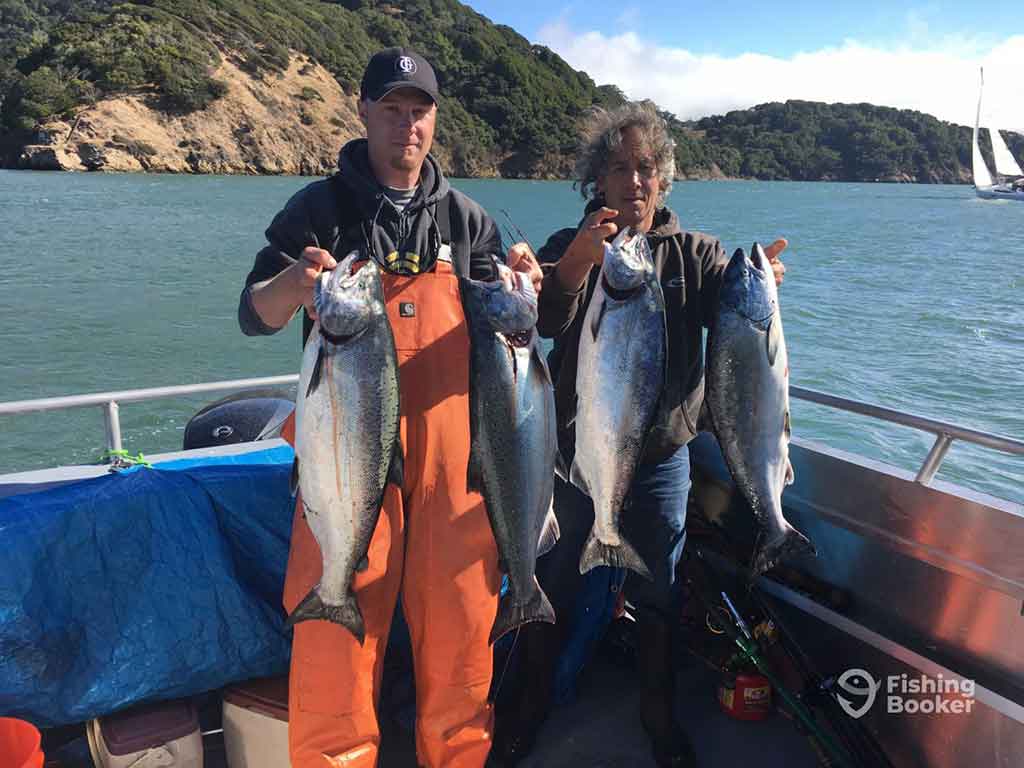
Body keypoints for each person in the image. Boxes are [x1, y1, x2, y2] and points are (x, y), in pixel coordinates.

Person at [238, 47, 533, 768]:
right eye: (392, 108)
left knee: (463, 651)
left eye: (420, 110)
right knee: (334, 661)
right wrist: (297, 285)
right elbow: (255, 314)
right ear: (363, 110)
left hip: (455, 471)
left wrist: (527, 284)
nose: (407, 125)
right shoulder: (316, 209)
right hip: (346, 458)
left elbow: (510, 340)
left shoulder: (469, 224)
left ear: (435, 120)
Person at [493, 101, 787, 768]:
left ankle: (658, 716)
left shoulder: (697, 253)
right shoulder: (570, 248)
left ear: (664, 180)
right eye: (620, 167)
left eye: (646, 168)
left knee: (661, 593)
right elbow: (539, 321)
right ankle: (531, 701)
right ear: (597, 179)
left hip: (661, 462)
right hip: (576, 460)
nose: (634, 181)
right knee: (553, 588)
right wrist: (573, 266)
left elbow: (732, 308)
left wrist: (764, 281)